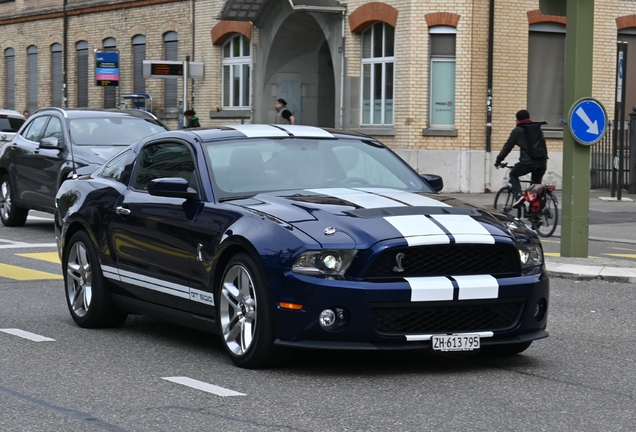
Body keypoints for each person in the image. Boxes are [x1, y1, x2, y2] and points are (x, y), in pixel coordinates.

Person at [494, 109, 548, 208]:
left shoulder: (518, 130)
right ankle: (536, 216)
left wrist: (498, 160)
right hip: (542, 163)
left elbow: (507, 147)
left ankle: (518, 195)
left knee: (513, 174)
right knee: (535, 189)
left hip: (528, 163)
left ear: (518, 120)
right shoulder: (537, 129)